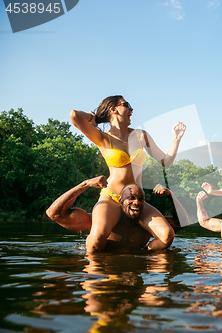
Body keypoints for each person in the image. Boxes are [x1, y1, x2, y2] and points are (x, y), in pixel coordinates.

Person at [70, 96, 186, 252]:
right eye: (127, 105)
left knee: (167, 236)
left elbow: (166, 161)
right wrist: (95, 118)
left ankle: (143, 257)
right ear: (113, 109)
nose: (131, 110)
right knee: (97, 240)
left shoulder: (141, 136)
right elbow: (74, 115)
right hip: (111, 197)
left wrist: (176, 139)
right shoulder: (103, 137)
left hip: (137, 199)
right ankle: (94, 267)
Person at [46, 176, 188, 252]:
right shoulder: (97, 223)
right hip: (101, 275)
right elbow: (54, 213)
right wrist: (85, 184)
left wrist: (170, 195)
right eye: (131, 198)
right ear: (120, 200)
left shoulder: (148, 227)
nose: (136, 202)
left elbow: (181, 223)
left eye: (141, 199)